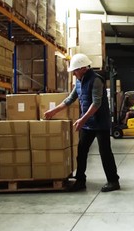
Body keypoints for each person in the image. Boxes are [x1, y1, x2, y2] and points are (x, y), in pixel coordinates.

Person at [44, 53, 120, 192]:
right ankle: (80, 181)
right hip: (87, 123)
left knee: (105, 152)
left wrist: (82, 119)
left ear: (83, 68)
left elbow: (96, 104)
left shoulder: (96, 80)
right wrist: (53, 111)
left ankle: (113, 181)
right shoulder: (79, 81)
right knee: (82, 151)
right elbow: (70, 99)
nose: (73, 74)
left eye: (75, 70)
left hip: (100, 122)